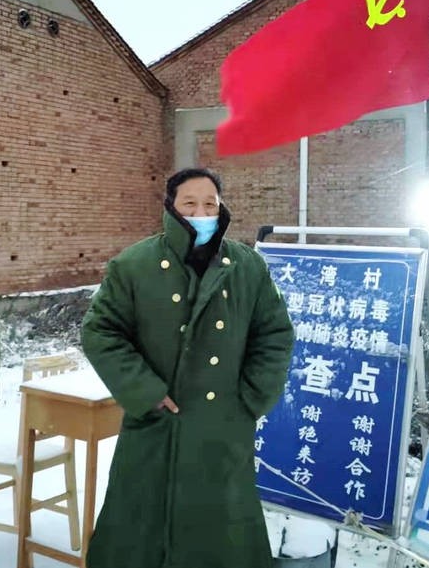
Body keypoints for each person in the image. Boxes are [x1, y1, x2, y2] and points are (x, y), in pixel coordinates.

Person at [81, 167, 295, 568]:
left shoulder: (247, 266)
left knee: (222, 535)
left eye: (210, 204)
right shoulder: (135, 264)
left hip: (223, 430)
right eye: (190, 204)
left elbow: (274, 334)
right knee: (142, 534)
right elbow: (100, 331)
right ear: (170, 206)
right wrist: (145, 391)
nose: (201, 213)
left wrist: (250, 399)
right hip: (156, 427)